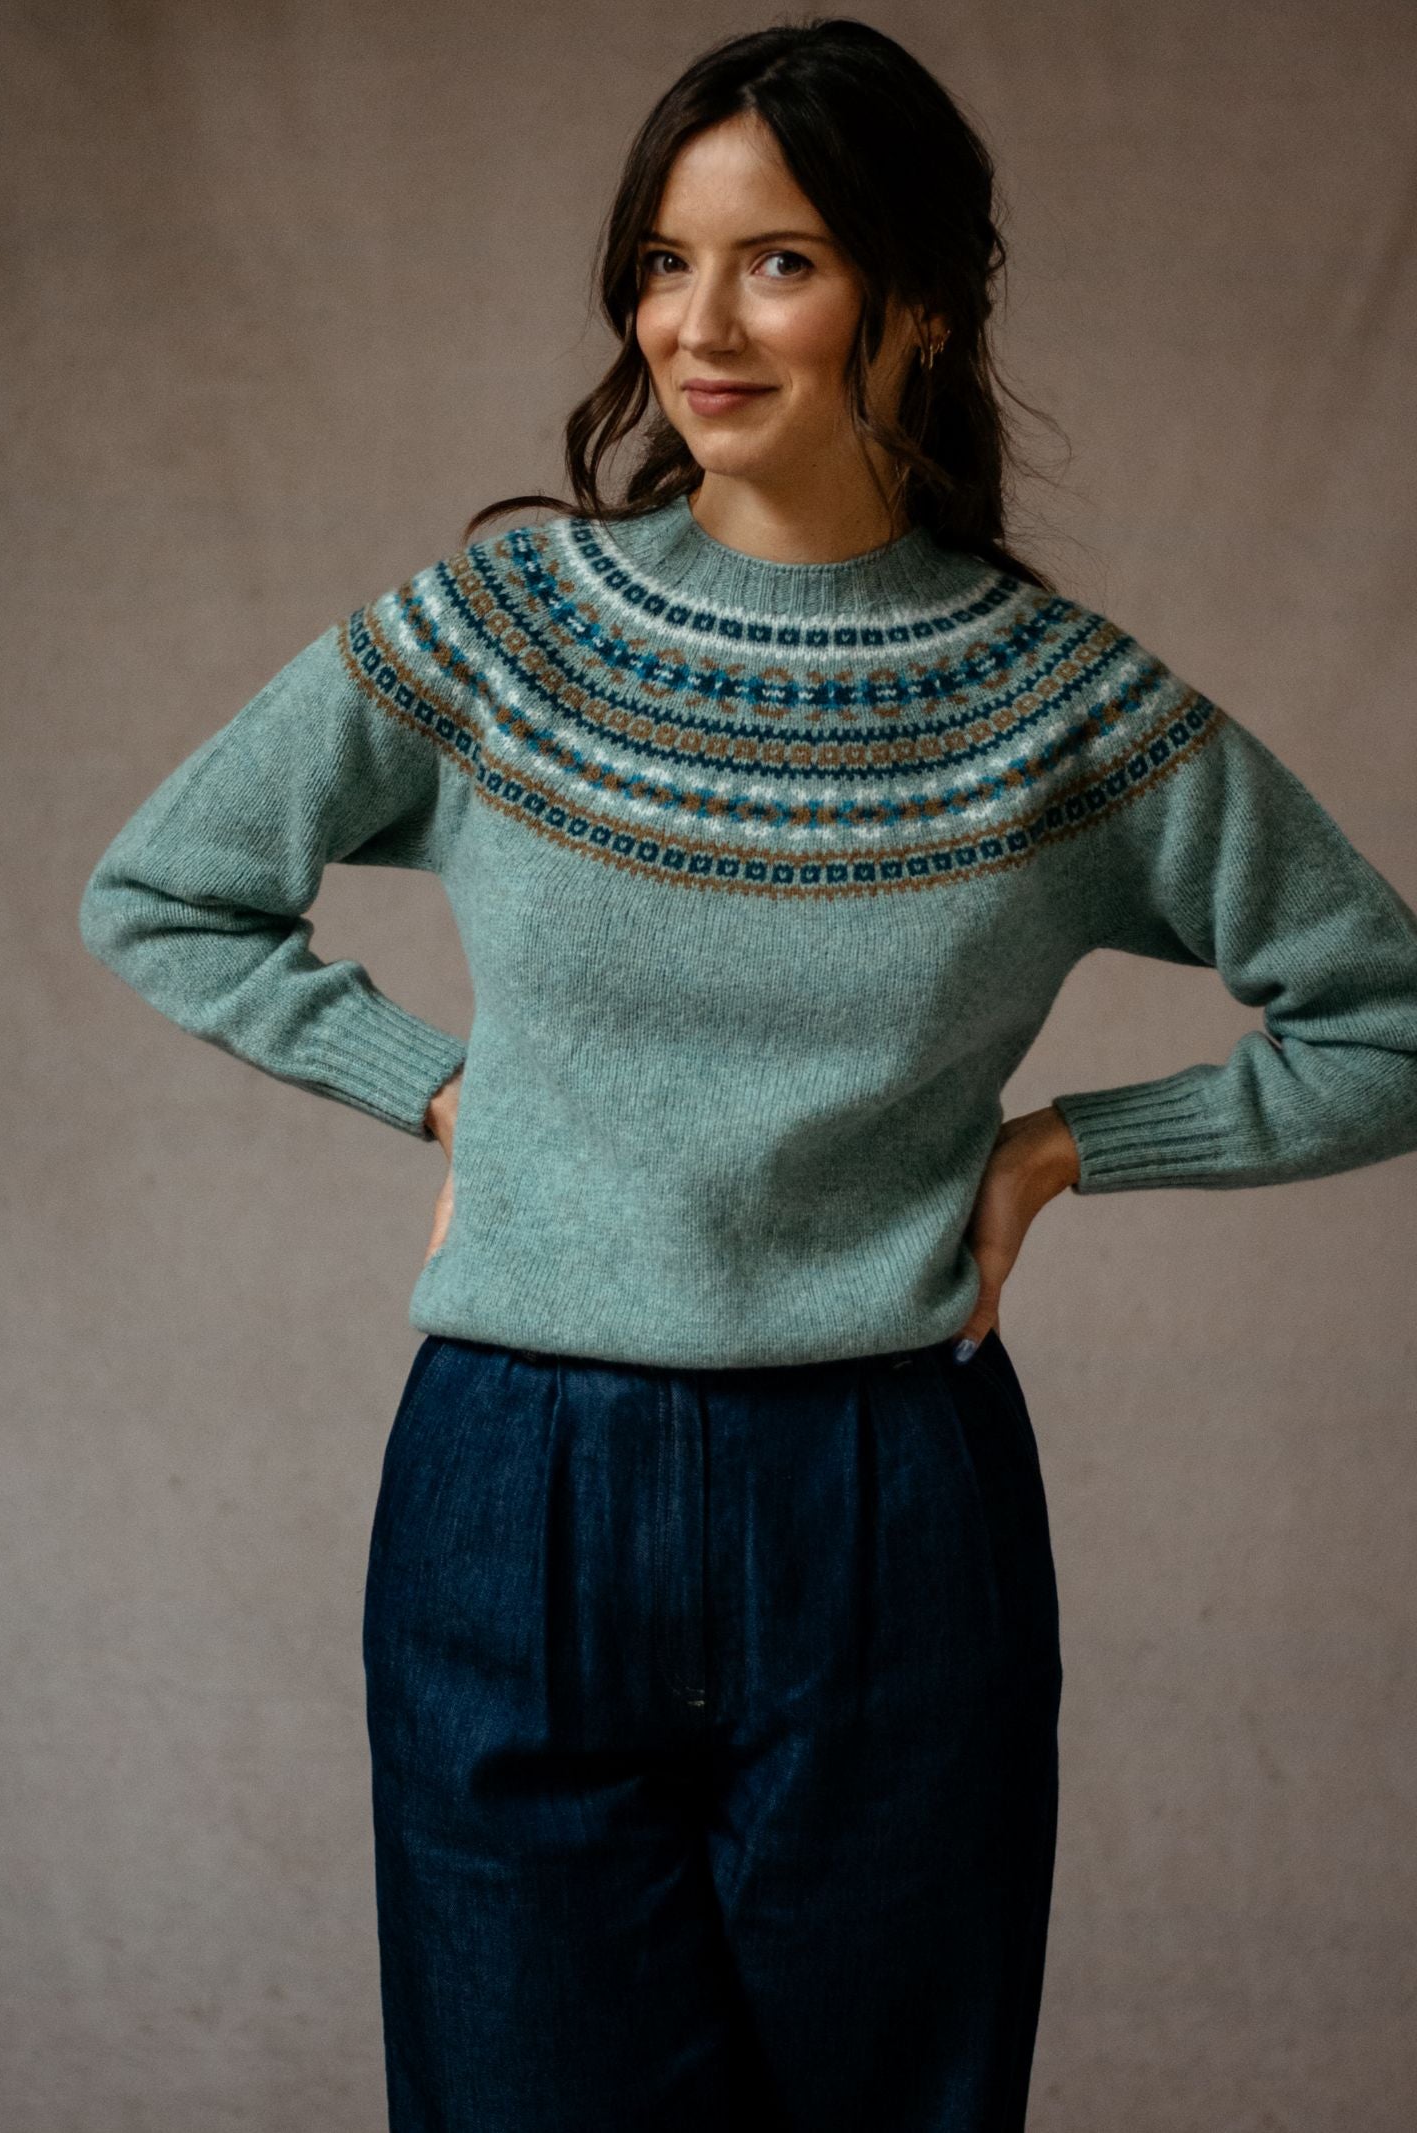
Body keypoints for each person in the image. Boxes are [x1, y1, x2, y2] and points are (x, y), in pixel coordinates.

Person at [77, 19, 1417, 2132]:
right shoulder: (507, 631)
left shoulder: (1058, 708)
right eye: (662, 262)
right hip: (512, 1492)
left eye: (777, 261)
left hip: (890, 1508)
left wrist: (1068, 1146)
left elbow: (1385, 1016)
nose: (696, 327)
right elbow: (163, 890)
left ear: (919, 300)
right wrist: (437, 1086)